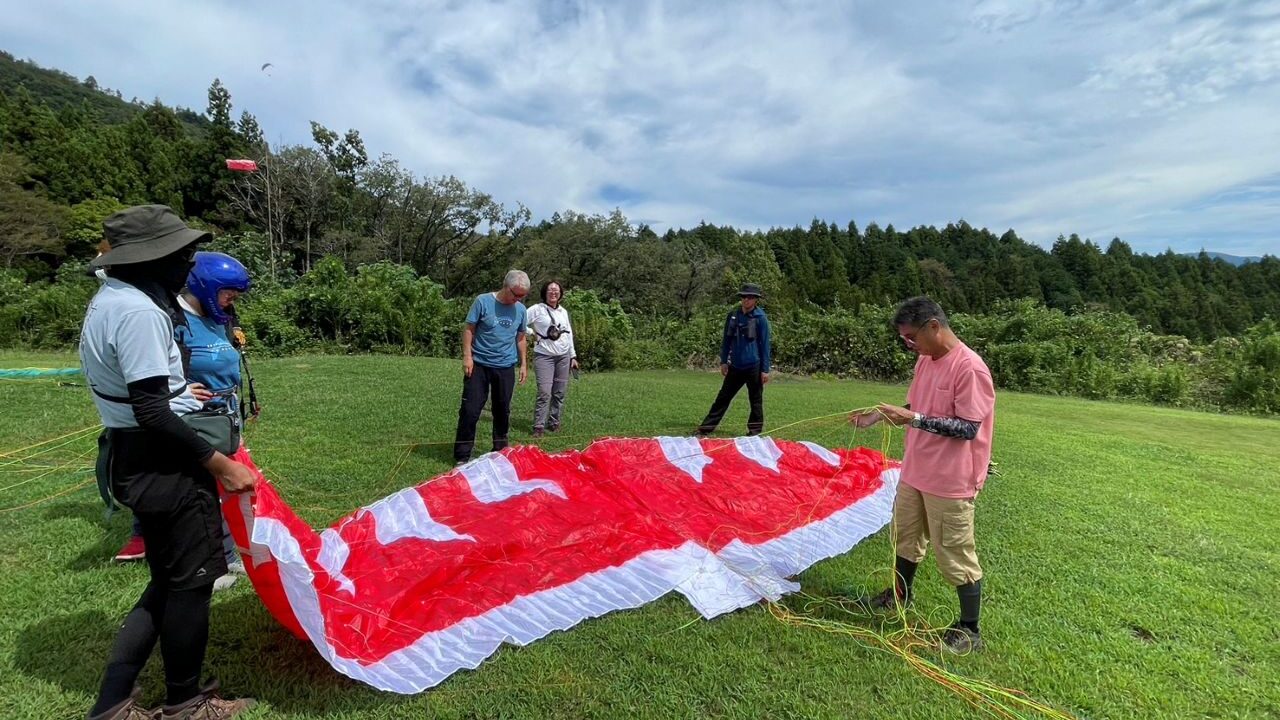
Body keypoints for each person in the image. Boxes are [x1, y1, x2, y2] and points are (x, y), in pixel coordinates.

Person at [80, 205, 256, 719]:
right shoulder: (138, 312)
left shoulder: (111, 300)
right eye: (179, 254)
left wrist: (181, 394)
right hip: (164, 460)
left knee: (168, 581)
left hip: (136, 453)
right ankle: (186, 702)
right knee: (192, 584)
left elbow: (150, 396)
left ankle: (112, 703)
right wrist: (220, 464)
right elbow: (153, 411)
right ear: (149, 258)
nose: (187, 263)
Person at [849, 296, 996, 654]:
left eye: (911, 337)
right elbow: (918, 407)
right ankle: (900, 595)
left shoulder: (970, 368)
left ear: (934, 326)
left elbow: (967, 427)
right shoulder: (925, 361)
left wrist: (913, 419)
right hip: (916, 470)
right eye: (904, 338)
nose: (908, 344)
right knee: (906, 536)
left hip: (951, 479)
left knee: (954, 550)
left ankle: (969, 629)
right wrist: (878, 416)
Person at [108, 253, 254, 594]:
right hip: (190, 419)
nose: (232, 299)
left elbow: (229, 357)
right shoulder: (168, 317)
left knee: (223, 488)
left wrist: (242, 400)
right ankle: (204, 563)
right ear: (205, 287)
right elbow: (150, 367)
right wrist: (179, 390)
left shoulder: (221, 317)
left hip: (224, 414)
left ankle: (225, 553)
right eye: (228, 292)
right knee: (198, 491)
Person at [453, 270, 529, 464]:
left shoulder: (520, 310)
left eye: (522, 296)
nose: (519, 299)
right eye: (516, 294)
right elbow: (469, 329)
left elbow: (521, 337)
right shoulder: (483, 301)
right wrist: (467, 356)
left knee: (502, 410)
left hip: (505, 366)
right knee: (470, 410)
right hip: (479, 364)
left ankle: (500, 452)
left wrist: (523, 363)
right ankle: (462, 455)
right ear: (506, 287)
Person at [696, 283, 772, 436]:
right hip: (735, 366)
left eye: (749, 297)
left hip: (753, 366)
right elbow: (727, 340)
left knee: (755, 401)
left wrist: (765, 369)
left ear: (755, 299)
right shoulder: (733, 316)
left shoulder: (761, 318)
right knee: (723, 398)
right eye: (743, 297)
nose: (746, 300)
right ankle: (705, 429)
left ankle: (754, 432)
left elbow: (765, 344)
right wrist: (724, 361)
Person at [526, 280, 578, 437]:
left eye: (556, 290)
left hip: (563, 357)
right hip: (544, 356)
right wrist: (532, 334)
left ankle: (554, 422)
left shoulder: (563, 311)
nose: (553, 293)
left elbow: (569, 334)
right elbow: (519, 322)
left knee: (559, 392)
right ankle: (538, 426)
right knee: (544, 392)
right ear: (544, 293)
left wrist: (573, 356)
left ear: (560, 294)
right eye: (550, 290)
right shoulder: (537, 309)